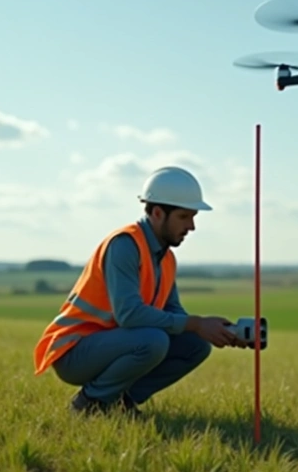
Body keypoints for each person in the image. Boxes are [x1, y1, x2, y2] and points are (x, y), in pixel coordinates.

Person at [32, 166, 247, 417]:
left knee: (195, 344)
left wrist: (221, 331)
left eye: (193, 217)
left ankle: (122, 402)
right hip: (75, 352)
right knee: (154, 340)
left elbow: (175, 315)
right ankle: (90, 403)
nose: (192, 226)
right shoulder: (124, 245)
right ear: (157, 213)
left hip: (114, 345)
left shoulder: (167, 259)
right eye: (184, 216)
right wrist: (196, 323)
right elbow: (129, 315)